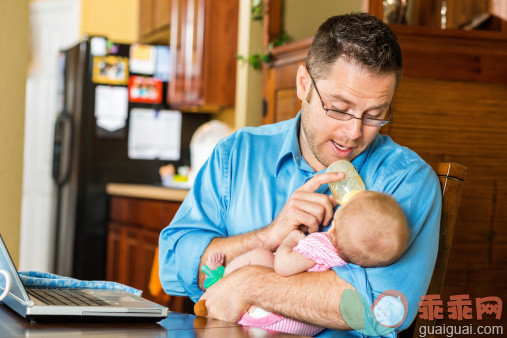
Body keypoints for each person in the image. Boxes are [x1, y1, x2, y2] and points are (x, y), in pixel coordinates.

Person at [159, 12, 441, 337]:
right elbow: (172, 263)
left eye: (374, 115)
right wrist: (267, 237)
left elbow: (386, 307)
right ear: (304, 84)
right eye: (339, 108)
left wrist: (251, 285)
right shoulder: (236, 154)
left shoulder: (407, 180)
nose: (353, 132)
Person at [201, 190, 410, 336]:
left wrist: (290, 240)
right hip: (303, 326)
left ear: (333, 226)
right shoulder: (352, 265)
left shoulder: (322, 246)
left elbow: (283, 267)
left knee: (263, 256)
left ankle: (218, 280)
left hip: (267, 315)